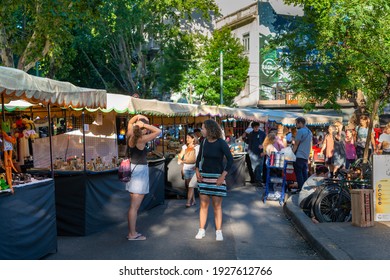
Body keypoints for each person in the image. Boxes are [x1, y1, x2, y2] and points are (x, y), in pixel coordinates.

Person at [194, 119, 233, 241]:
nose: (202, 130)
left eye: (203, 128)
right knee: (203, 206)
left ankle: (218, 231)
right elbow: (199, 158)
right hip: (204, 177)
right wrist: (197, 171)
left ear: (210, 129)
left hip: (217, 178)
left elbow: (230, 160)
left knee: (217, 206)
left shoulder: (221, 143)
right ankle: (201, 230)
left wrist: (223, 176)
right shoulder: (204, 142)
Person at [125, 114, 161, 241]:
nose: (146, 129)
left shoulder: (130, 135)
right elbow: (158, 131)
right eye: (145, 128)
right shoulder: (141, 139)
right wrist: (144, 123)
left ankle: (132, 232)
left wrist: (137, 117)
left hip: (133, 170)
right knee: (134, 207)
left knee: (132, 206)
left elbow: (130, 122)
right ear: (142, 128)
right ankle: (132, 234)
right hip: (139, 172)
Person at [177, 133, 200, 207]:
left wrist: (197, 166)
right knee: (189, 184)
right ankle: (193, 200)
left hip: (194, 167)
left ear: (193, 139)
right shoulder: (184, 147)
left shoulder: (197, 147)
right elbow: (181, 155)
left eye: (188, 137)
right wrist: (180, 160)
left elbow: (199, 158)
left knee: (191, 185)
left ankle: (188, 201)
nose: (187, 139)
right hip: (186, 167)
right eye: (186, 137)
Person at [241, 121, 266, 186]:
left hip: (260, 153)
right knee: (254, 167)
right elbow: (248, 142)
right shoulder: (251, 134)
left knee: (259, 167)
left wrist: (263, 149)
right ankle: (256, 180)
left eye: (257, 126)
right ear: (253, 127)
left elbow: (266, 143)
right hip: (252, 153)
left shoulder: (262, 133)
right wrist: (243, 138)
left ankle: (259, 181)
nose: (256, 128)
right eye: (255, 127)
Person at [292, 117, 312, 191]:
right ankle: (305, 190)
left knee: (299, 174)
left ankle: (301, 189)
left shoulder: (300, 131)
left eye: (296, 123)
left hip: (299, 155)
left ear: (300, 123)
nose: (296, 125)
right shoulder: (309, 131)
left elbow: (296, 144)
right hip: (305, 156)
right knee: (304, 173)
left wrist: (291, 153)